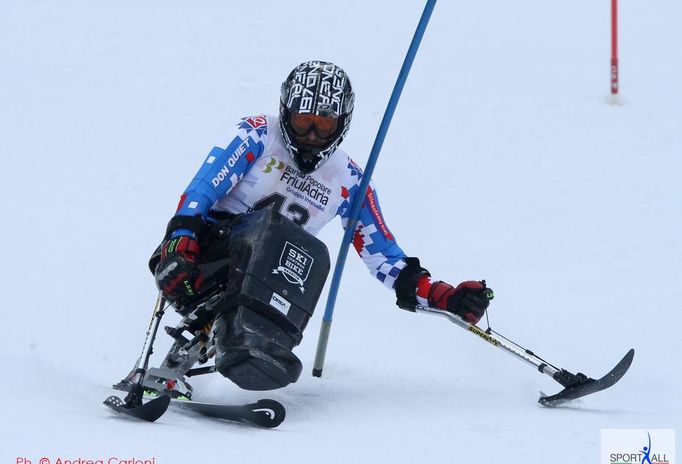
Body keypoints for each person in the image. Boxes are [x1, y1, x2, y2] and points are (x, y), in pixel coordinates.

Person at [152, 60, 493, 390]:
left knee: (308, 254)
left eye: (324, 125)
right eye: (303, 122)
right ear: (286, 112)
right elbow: (204, 188)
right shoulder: (257, 133)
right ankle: (221, 346)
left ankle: (258, 349)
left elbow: (384, 258)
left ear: (342, 123)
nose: (311, 136)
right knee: (270, 232)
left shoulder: (351, 180)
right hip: (204, 258)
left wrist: (441, 296)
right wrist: (182, 236)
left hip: (273, 280)